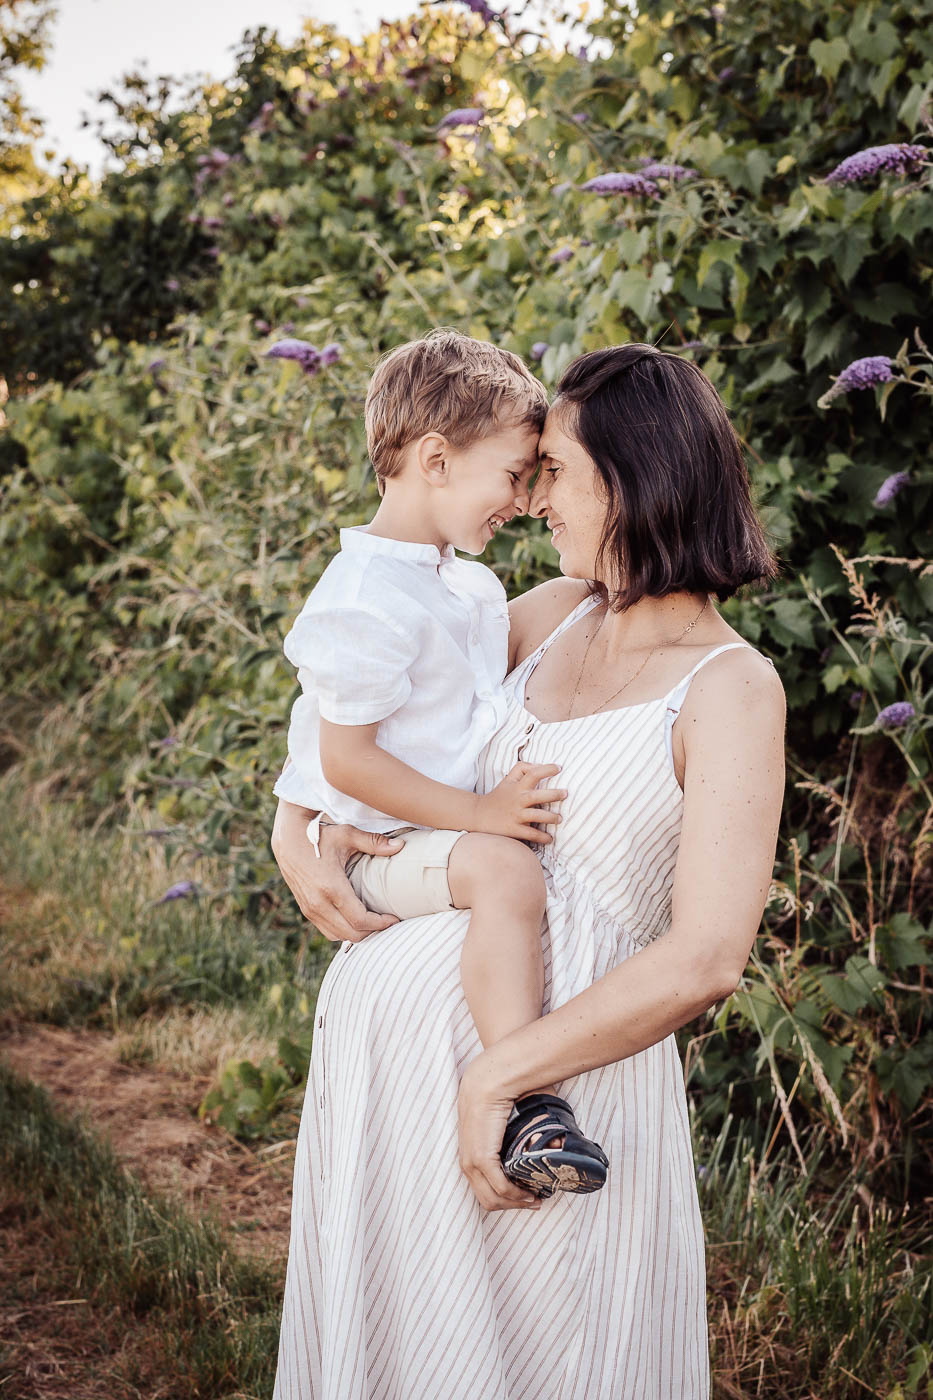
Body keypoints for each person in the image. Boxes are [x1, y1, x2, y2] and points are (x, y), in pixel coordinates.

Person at [271, 343, 786, 1400]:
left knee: (544, 1358)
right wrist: (293, 818)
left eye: (557, 472)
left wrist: (499, 1074)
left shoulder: (734, 686)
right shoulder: (554, 613)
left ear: (636, 480)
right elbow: (362, 694)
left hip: (555, 1098)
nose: (535, 499)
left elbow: (707, 956)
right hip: (392, 1086)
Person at [273, 329, 608, 1196]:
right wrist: (486, 816)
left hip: (433, 836)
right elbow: (345, 758)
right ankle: (528, 1096)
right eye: (512, 472)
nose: (523, 497)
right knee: (505, 873)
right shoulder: (363, 599)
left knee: (501, 868)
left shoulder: (465, 583)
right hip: (388, 844)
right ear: (434, 458)